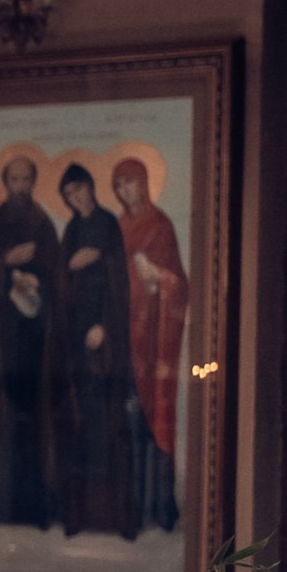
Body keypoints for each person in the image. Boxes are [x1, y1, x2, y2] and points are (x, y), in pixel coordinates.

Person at [53, 162, 138, 538]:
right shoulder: (71, 229)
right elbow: (61, 277)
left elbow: (119, 281)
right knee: (77, 425)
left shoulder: (107, 224)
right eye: (68, 195)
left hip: (105, 343)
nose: (75, 198)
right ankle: (78, 516)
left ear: (90, 187)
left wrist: (105, 324)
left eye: (79, 190)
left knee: (109, 425)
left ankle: (116, 518)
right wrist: (69, 266)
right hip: (74, 341)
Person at [0, 151, 62, 526]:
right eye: (13, 180)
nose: (19, 187)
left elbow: (58, 275)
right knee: (4, 423)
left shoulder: (44, 223)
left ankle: (37, 509)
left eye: (25, 179)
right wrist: (5, 267)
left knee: (36, 419)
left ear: (33, 182)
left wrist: (38, 282)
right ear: (5, 184)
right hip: (2, 343)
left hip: (36, 341)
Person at [111, 153, 186, 532]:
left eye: (131, 181)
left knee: (154, 422)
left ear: (144, 182)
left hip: (153, 343)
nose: (126, 190)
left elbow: (179, 285)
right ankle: (132, 509)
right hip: (124, 341)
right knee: (128, 428)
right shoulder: (116, 227)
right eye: (120, 183)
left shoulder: (160, 225)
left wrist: (158, 275)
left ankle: (160, 505)